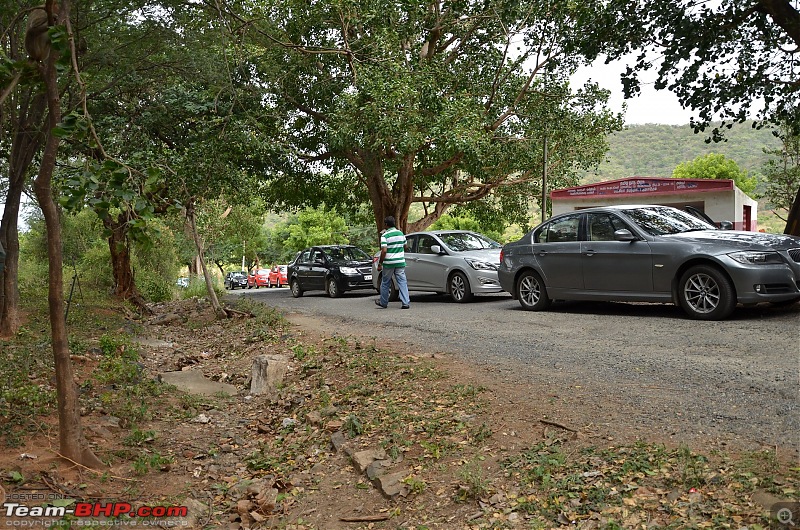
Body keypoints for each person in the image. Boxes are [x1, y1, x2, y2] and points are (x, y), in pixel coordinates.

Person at [375, 216, 410, 309]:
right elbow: (406, 246)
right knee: (402, 282)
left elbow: (384, 251)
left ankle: (383, 302)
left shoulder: (385, 235)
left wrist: (380, 263)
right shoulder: (401, 234)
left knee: (385, 282)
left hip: (389, 263)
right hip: (400, 262)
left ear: (386, 224)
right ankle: (405, 302)